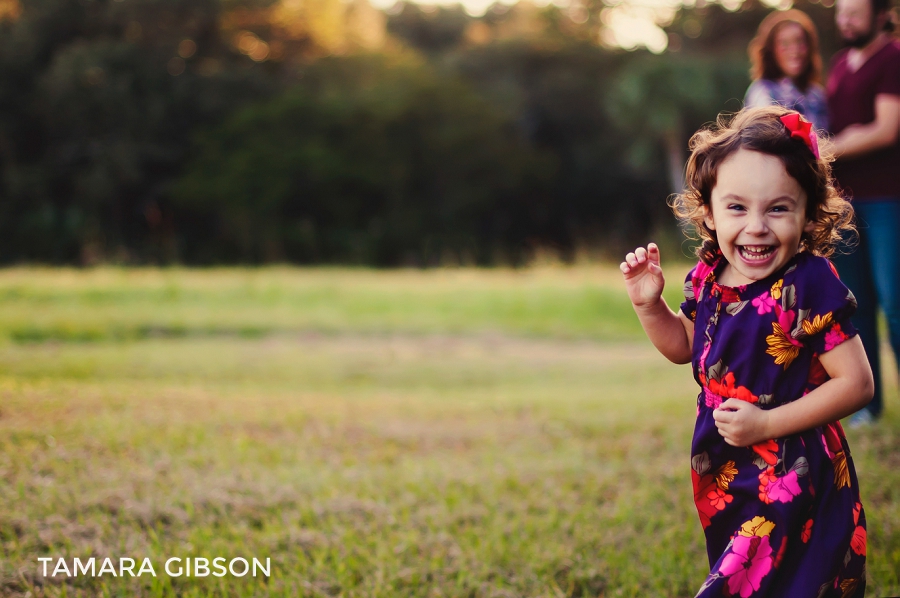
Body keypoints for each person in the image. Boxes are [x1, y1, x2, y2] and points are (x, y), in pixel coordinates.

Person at [621, 107, 873, 597]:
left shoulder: (809, 283)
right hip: (726, 465)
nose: (756, 227)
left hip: (794, 471)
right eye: (737, 208)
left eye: (778, 208)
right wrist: (649, 307)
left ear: (808, 213)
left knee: (773, 581)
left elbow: (857, 383)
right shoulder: (710, 275)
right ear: (710, 213)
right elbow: (685, 349)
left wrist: (767, 424)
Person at [827, 0, 900, 425]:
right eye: (841, 12)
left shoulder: (892, 57)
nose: (845, 20)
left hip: (888, 200)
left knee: (895, 303)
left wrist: (827, 146)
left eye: (855, 12)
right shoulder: (839, 64)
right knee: (853, 305)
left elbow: (886, 128)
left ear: (880, 14)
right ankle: (866, 405)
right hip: (844, 205)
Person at [745, 10, 829, 131]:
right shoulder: (762, 92)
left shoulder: (817, 94)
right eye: (784, 44)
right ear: (771, 50)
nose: (794, 50)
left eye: (800, 42)